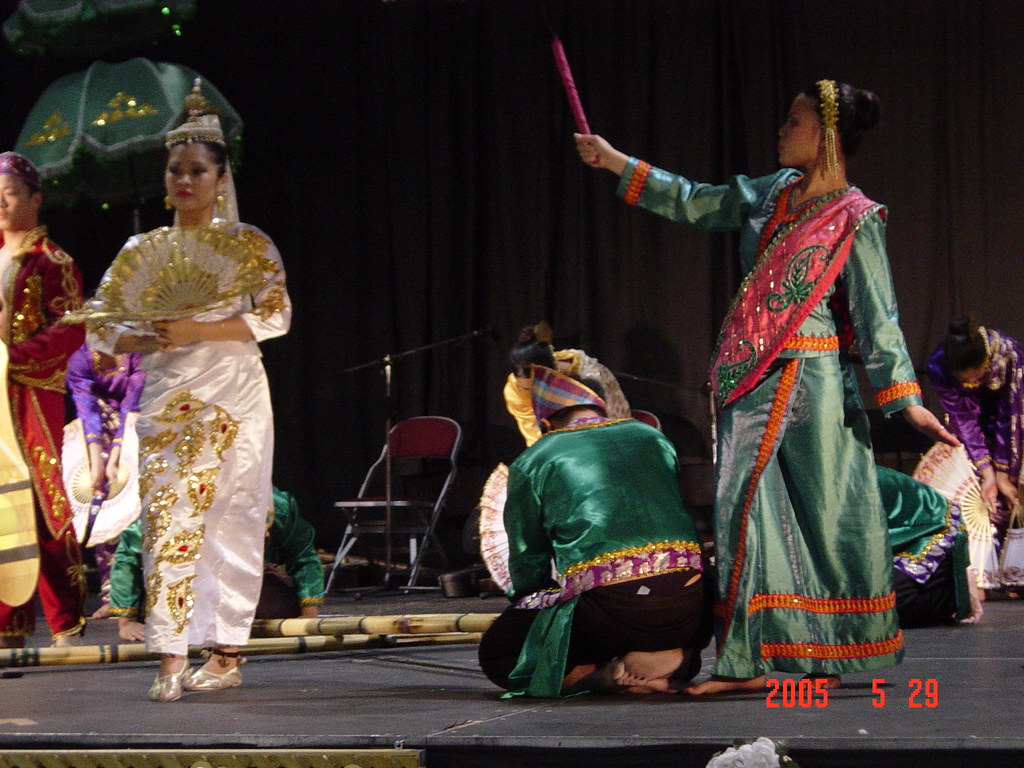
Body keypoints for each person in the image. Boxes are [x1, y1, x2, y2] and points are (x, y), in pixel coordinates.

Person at [574, 80, 958, 694]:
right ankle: (756, 660)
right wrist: (616, 160)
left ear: (828, 136)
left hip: (811, 379)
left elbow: (877, 312)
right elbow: (697, 200)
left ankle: (799, 658)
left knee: (816, 516)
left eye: (794, 121)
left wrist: (905, 400)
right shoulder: (771, 193)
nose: (781, 130)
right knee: (750, 512)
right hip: (753, 377)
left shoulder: (855, 218)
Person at [86, 81, 291, 701]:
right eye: (175, 169)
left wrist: (197, 326)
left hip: (236, 391)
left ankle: (226, 652)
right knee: (169, 517)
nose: (184, 180)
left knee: (234, 514)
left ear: (219, 178)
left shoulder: (248, 244)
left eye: (197, 170)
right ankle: (170, 654)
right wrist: (148, 338)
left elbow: (276, 317)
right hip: (169, 399)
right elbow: (102, 331)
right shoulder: (140, 250)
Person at [478, 365, 710, 697]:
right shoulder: (653, 437)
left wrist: (530, 602)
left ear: (546, 424)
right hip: (687, 605)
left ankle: (598, 677)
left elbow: (528, 558)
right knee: (672, 610)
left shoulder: (535, 459)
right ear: (601, 408)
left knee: (498, 653)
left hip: (611, 609)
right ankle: (673, 659)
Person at [0, 151, 87, 649]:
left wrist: (11, 359)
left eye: (12, 194)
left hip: (30, 397)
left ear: (35, 198)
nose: (3, 204)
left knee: (42, 501)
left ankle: (65, 622)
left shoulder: (53, 262)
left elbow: (70, 329)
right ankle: (9, 622)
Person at [109, 486, 324, 642]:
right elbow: (128, 555)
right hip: (184, 586)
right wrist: (126, 622)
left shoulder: (276, 504)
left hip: (246, 587)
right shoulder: (172, 501)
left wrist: (308, 617)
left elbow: (302, 555)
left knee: (276, 606)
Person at [925, 317, 1024, 592]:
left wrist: (1004, 474)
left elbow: (1010, 416)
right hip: (971, 433)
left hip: (1013, 429)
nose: (970, 384)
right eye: (963, 380)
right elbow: (964, 420)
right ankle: (978, 573)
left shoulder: (1008, 356)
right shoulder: (938, 366)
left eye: (977, 376)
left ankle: (1016, 570)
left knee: (1015, 491)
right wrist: (987, 474)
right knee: (973, 496)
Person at [65, 342, 146, 619]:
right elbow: (85, 409)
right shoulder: (81, 358)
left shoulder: (138, 350)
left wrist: (116, 459)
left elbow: (131, 405)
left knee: (139, 507)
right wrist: (97, 462)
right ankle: (114, 596)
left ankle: (146, 593)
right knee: (103, 505)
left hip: (139, 424)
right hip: (98, 431)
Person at [503, 322, 631, 447]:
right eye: (526, 388)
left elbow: (602, 424)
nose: (531, 393)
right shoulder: (515, 391)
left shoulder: (587, 374)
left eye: (535, 387)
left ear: (552, 375)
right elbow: (533, 434)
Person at [878, 465, 973, 627]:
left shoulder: (861, 479)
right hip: (889, 547)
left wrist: (963, 577)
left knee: (879, 607)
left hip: (932, 531)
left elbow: (947, 511)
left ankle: (948, 597)